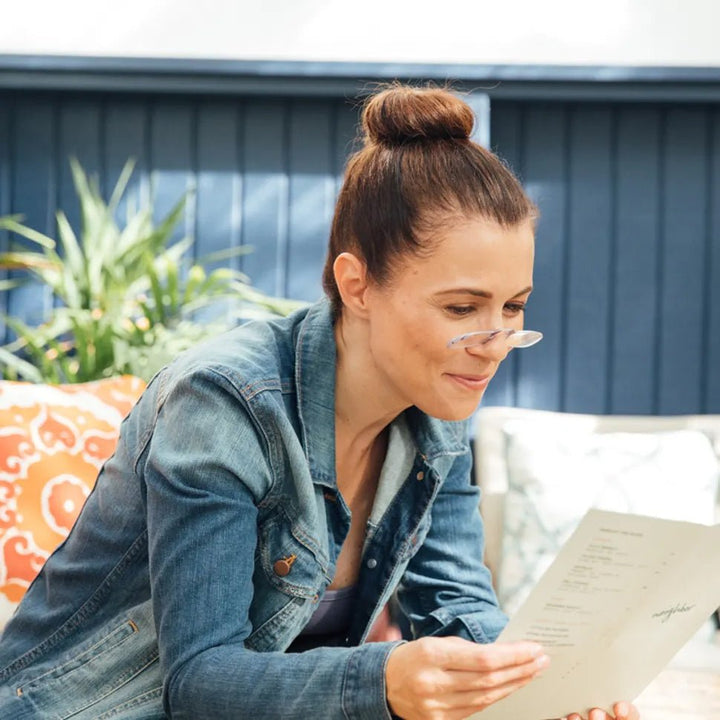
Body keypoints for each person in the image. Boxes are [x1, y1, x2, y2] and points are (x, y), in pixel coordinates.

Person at [0, 84, 639, 720]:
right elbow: (199, 681)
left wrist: (542, 690)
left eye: (515, 306)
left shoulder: (436, 413)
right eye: (461, 308)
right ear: (355, 284)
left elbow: (459, 610)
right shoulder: (225, 403)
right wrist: (383, 681)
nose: (495, 344)